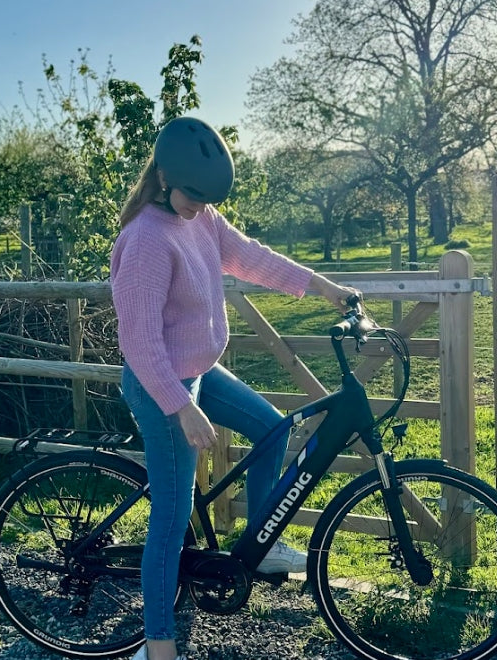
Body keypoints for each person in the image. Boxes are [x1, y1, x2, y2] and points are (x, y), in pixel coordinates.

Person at [110, 116, 359, 660]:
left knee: (272, 430)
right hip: (161, 387)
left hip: (197, 370)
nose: (200, 205)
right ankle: (158, 646)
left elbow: (253, 258)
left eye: (206, 198)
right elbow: (141, 346)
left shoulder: (200, 220)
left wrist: (324, 287)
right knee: (171, 521)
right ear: (165, 177)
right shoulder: (146, 241)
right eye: (193, 196)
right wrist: (182, 408)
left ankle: (258, 545)